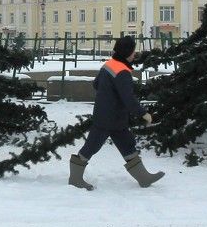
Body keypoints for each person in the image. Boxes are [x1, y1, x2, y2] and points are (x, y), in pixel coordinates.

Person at [69, 35, 165, 190]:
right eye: (133, 51)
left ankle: (144, 178)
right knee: (91, 147)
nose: (135, 54)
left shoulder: (110, 65)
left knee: (127, 144)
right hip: (107, 119)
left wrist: (108, 95)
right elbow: (129, 99)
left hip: (113, 118)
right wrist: (144, 114)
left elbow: (96, 84)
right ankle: (75, 179)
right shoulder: (122, 72)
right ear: (127, 52)